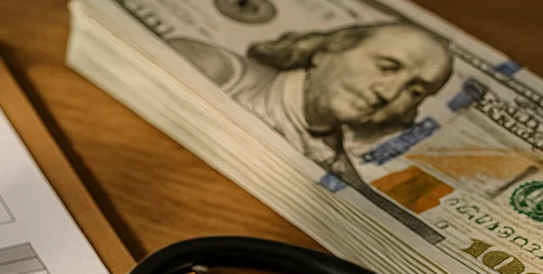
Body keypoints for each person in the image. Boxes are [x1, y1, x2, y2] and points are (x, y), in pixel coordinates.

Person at [168, 22, 453, 173]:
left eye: (414, 91)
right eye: (387, 67)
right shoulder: (214, 69)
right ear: (326, 51)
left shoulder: (338, 172)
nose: (388, 93)